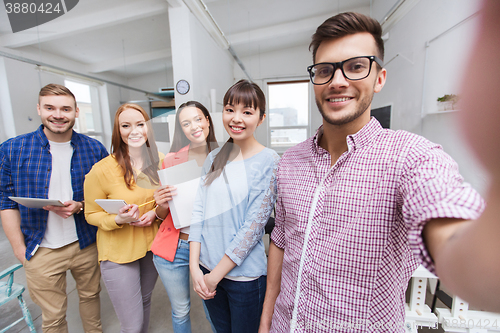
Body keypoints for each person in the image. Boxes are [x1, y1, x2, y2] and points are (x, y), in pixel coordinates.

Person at [258, 12, 485, 333]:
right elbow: (281, 239)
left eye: (355, 66)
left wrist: (468, 253)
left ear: (379, 78)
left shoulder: (411, 157)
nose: (337, 80)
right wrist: (267, 318)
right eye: (325, 70)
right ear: (314, 81)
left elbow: (450, 225)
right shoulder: (291, 162)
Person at [0, 83, 107, 333]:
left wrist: (81, 205)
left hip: (86, 243)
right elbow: (5, 203)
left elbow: (104, 194)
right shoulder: (12, 150)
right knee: (54, 317)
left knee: (91, 299)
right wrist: (19, 249)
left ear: (76, 112)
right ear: (39, 109)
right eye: (50, 107)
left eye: (65, 109)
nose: (58, 114)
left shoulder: (94, 149)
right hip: (40, 248)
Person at [189, 80, 280, 333]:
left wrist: (213, 277)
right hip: (206, 269)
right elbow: (199, 211)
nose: (236, 118)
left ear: (261, 118)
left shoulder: (269, 161)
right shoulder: (213, 157)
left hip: (244, 280)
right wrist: (194, 267)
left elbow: (252, 228)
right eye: (230, 109)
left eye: (247, 112)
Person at [84, 103, 162, 333]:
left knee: (145, 303)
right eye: (126, 126)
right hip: (118, 252)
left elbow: (167, 201)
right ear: (118, 131)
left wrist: (155, 213)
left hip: (151, 247)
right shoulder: (101, 170)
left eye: (140, 124)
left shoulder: (161, 160)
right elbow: (90, 214)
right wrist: (117, 220)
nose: (134, 130)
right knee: (132, 323)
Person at [151, 101, 218, 333]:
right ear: (181, 129)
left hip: (212, 246)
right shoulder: (171, 160)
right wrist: (160, 203)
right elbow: (163, 214)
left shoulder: (227, 157)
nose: (194, 126)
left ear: (207, 120)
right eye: (186, 123)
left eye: (198, 119)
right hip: (176, 245)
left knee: (214, 310)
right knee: (180, 310)